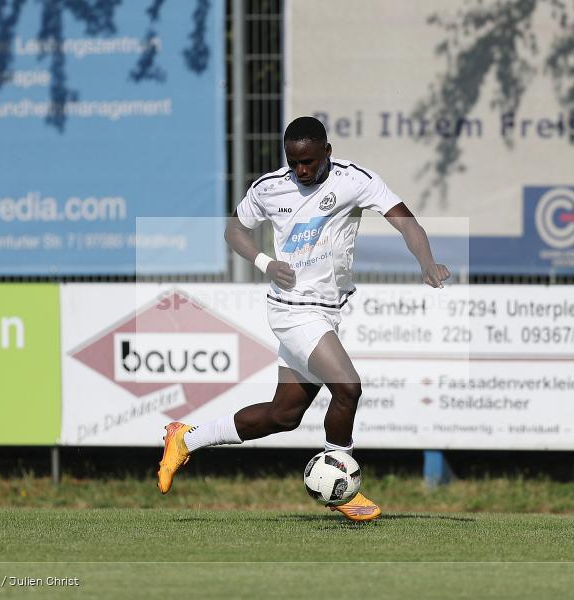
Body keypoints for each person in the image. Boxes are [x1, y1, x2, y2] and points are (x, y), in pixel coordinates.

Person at [157, 116, 450, 521]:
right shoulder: (268, 187)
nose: (301, 170)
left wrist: (426, 261)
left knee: (284, 415)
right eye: (294, 162)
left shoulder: (355, 180)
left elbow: (406, 221)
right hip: (292, 310)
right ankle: (343, 490)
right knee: (348, 387)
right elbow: (233, 231)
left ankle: (186, 439)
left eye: (309, 161)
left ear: (327, 152)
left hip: (328, 311)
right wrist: (265, 261)